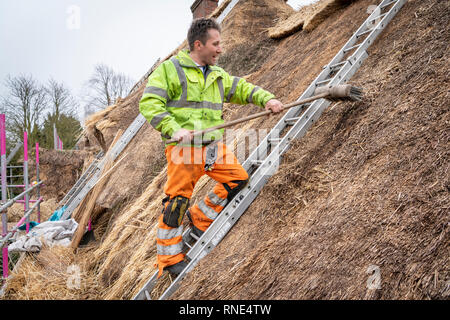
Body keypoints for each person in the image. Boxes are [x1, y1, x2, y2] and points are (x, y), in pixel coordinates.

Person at [139, 18, 283, 277]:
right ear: (198, 44)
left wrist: (267, 99)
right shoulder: (170, 70)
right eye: (216, 44)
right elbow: (149, 104)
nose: (220, 49)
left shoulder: (217, 75)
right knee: (176, 203)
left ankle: (200, 218)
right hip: (183, 149)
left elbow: (243, 88)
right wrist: (174, 129)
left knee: (237, 179)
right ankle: (169, 259)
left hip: (212, 147)